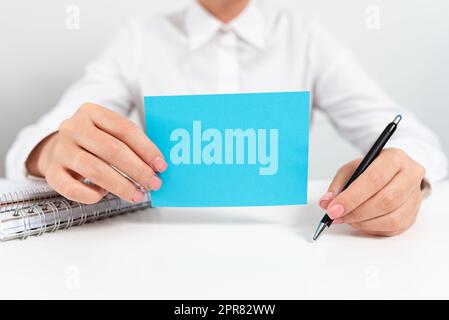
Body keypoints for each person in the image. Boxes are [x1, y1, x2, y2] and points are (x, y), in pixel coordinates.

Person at [6, 0, 447, 237]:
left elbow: (417, 141)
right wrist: (52, 149)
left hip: (286, 247)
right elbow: (40, 138)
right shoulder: (140, 39)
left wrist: (403, 174)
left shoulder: (306, 37)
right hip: (158, 252)